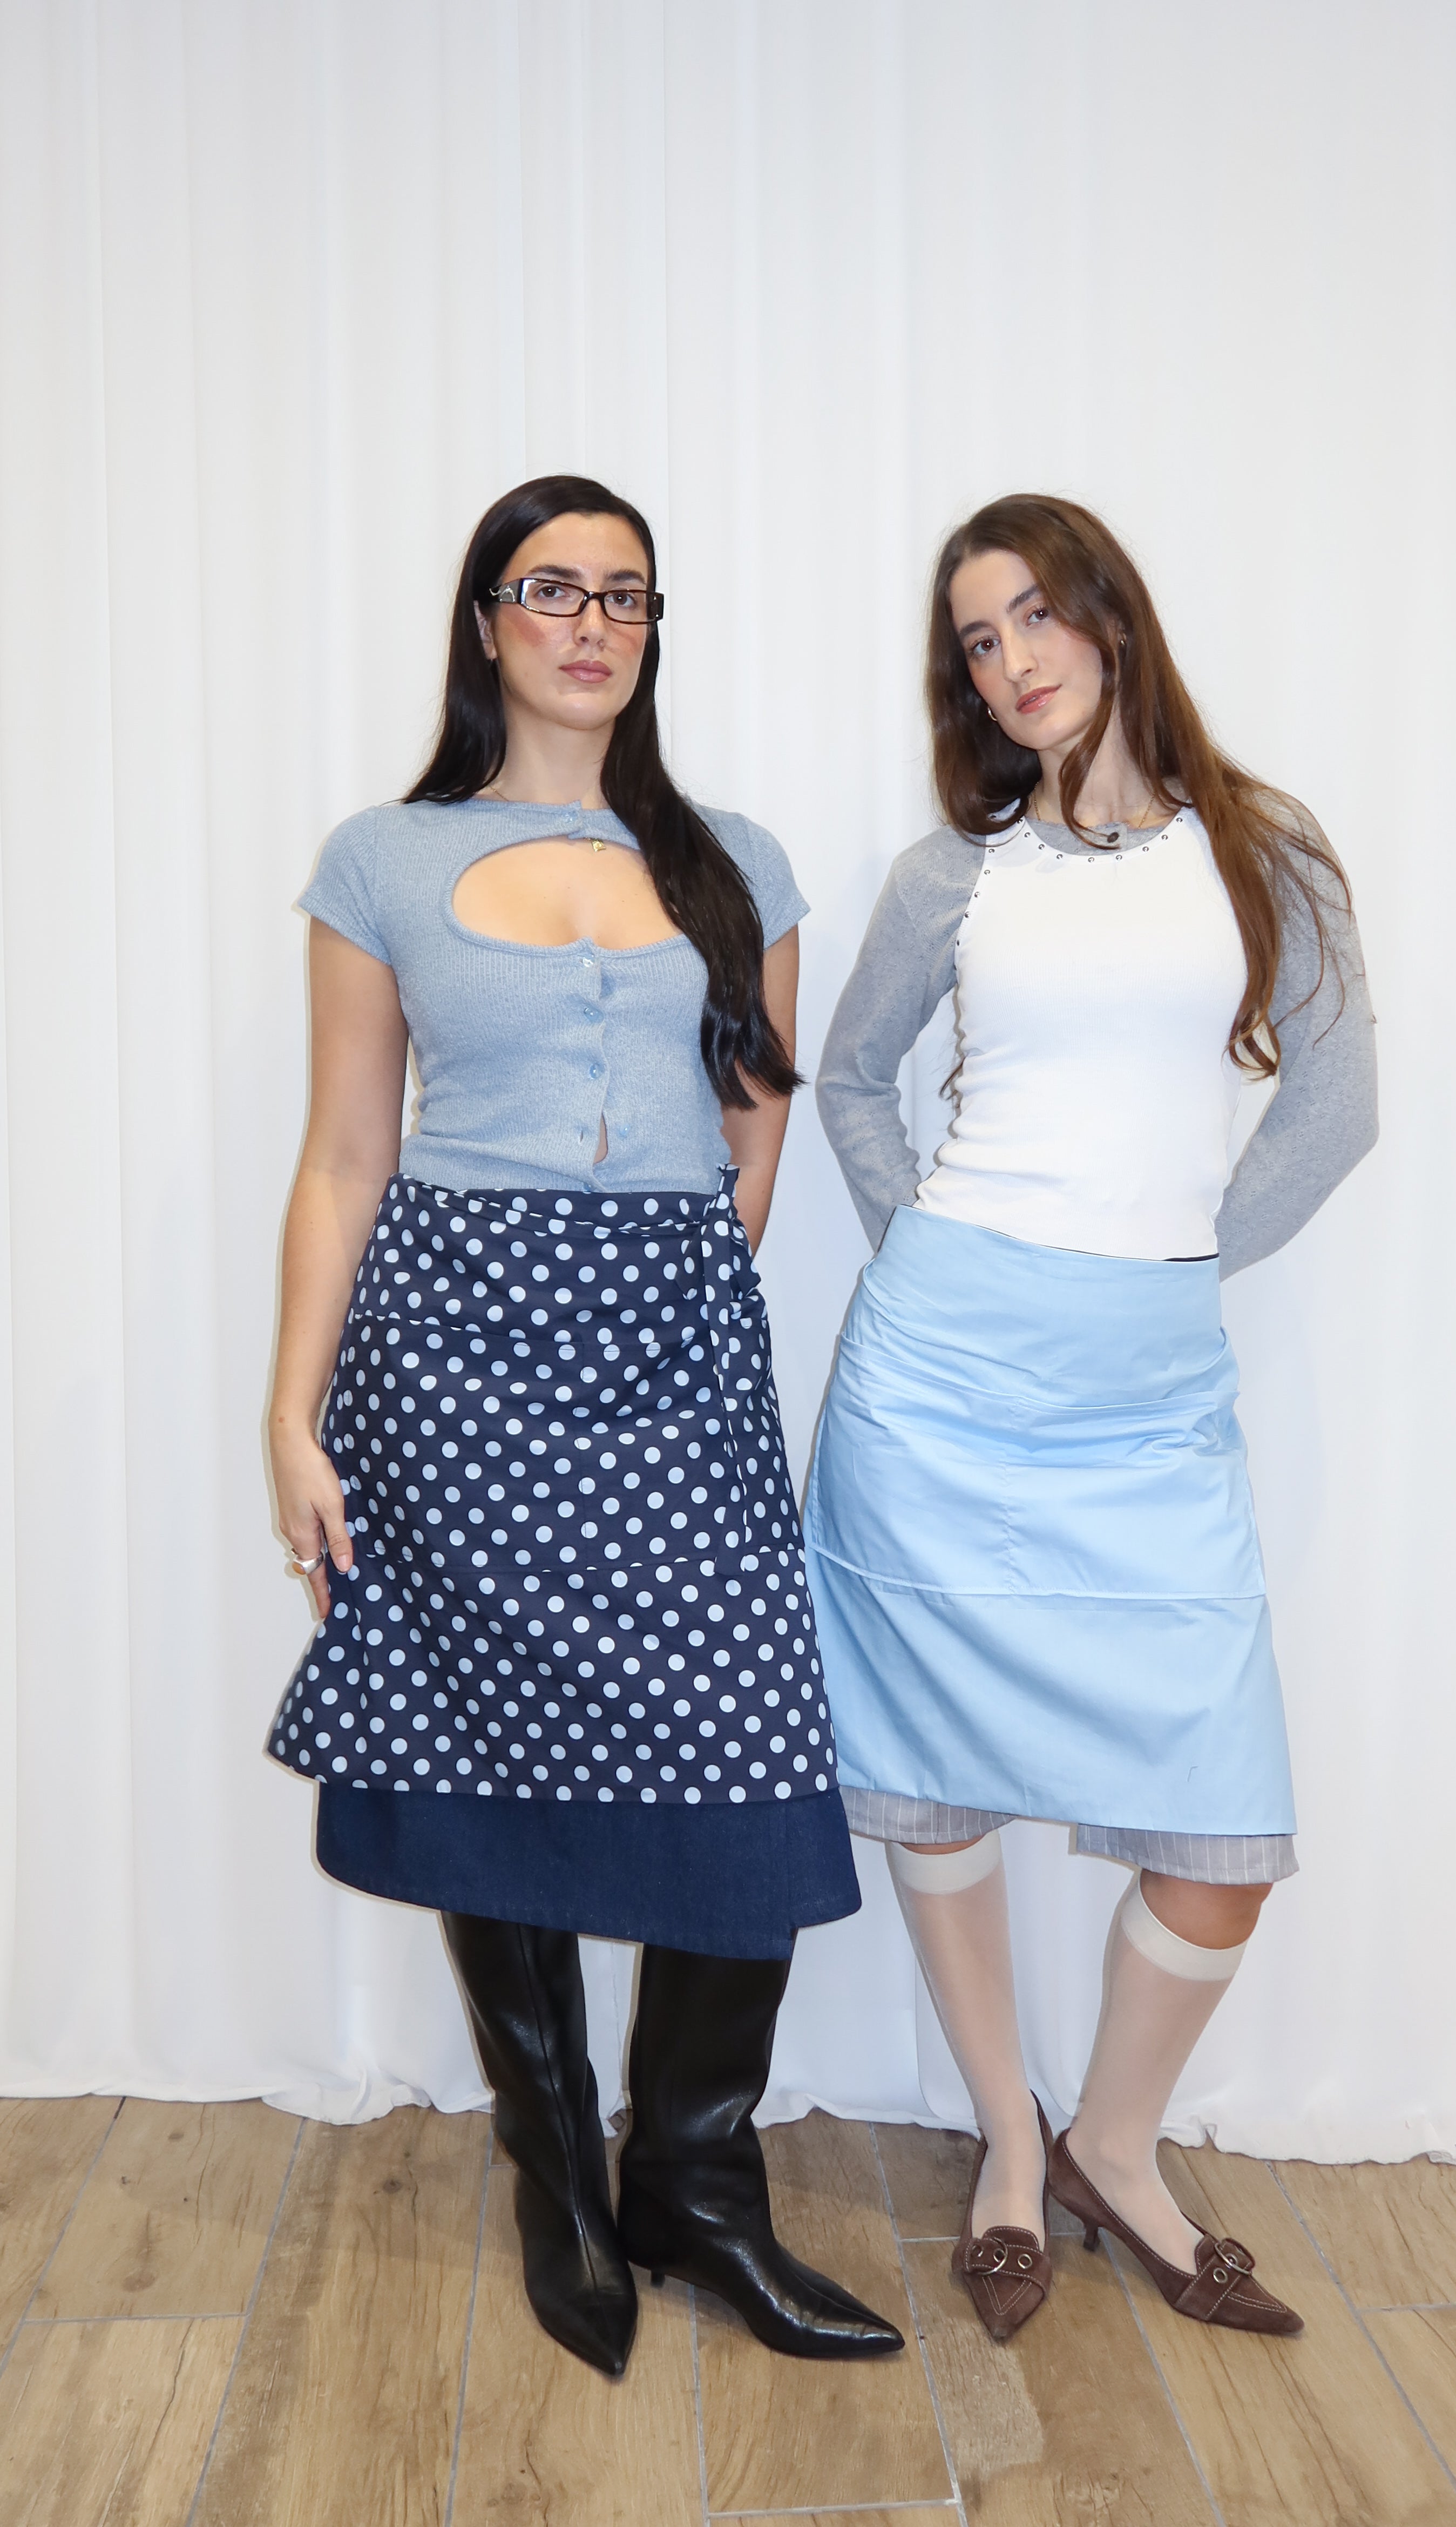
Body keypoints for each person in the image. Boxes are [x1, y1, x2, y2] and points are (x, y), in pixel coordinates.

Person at [267, 474, 902, 2377]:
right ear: (487, 620)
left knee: (746, 1744)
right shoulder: (383, 861)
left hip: (671, 1359)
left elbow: (756, 1125)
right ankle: (560, 2175)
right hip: (451, 1359)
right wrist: (294, 1418)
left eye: (626, 595)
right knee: (486, 1743)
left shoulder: (734, 861)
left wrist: (673, 1292)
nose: (591, 624)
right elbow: (345, 1153)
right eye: (552, 589)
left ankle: (695, 2180)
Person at [807, 492, 1378, 2344]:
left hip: (1147, 1404)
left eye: (1037, 616)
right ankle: (1004, 2138)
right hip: (939, 1386)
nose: (1013, 662)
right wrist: (932, 1252)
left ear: (1112, 618)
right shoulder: (952, 875)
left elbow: (1336, 1108)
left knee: (1219, 1852)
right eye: (979, 642)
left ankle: (1112, 2147)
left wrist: (1180, 1261)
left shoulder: (1264, 850)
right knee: (935, 1775)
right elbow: (851, 1080)